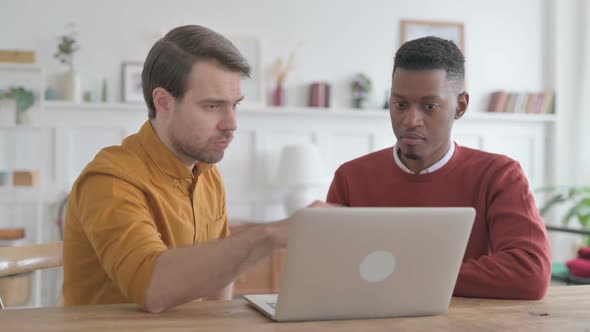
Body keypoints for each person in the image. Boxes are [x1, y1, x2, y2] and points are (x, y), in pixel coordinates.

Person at [63, 25, 327, 313]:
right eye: (212, 106)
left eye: (235, 105)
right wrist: (272, 233)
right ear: (163, 102)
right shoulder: (109, 181)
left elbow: (218, 285)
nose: (231, 123)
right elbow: (153, 287)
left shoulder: (207, 173)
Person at [326, 36, 551, 300]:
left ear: (461, 106)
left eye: (429, 106)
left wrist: (401, 275)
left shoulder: (500, 175)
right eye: (400, 104)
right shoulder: (350, 177)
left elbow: (530, 273)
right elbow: (330, 273)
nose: (410, 121)